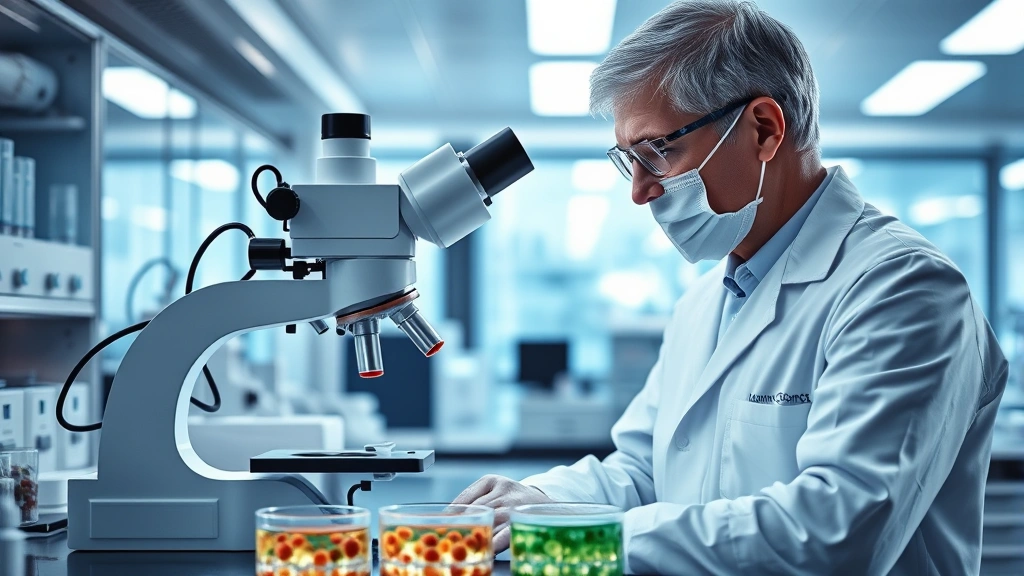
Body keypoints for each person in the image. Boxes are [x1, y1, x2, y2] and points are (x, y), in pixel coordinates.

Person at [453, 1, 1008, 573]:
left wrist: (580, 540)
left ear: (763, 130)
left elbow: (835, 533)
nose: (640, 191)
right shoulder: (704, 302)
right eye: (629, 161)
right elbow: (646, 469)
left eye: (657, 152)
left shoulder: (902, 289)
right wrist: (544, 502)